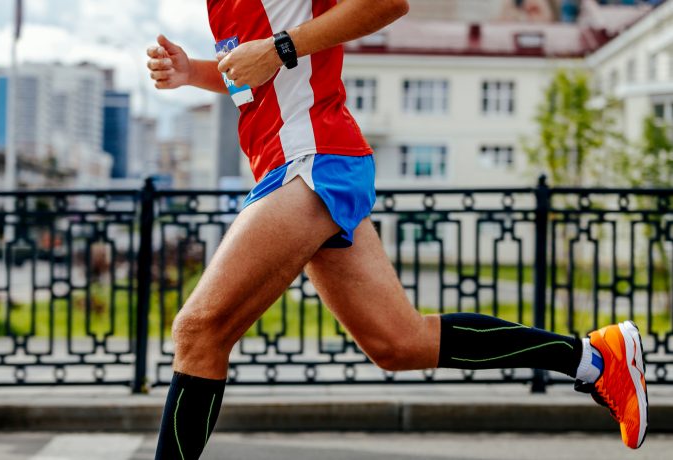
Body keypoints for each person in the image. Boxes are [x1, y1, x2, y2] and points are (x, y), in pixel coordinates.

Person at [147, 1, 648, 458]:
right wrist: (194, 72)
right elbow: (258, 78)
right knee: (399, 343)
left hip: (313, 160)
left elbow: (386, 4)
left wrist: (278, 48)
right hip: (291, 166)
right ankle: (593, 359)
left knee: (199, 330)